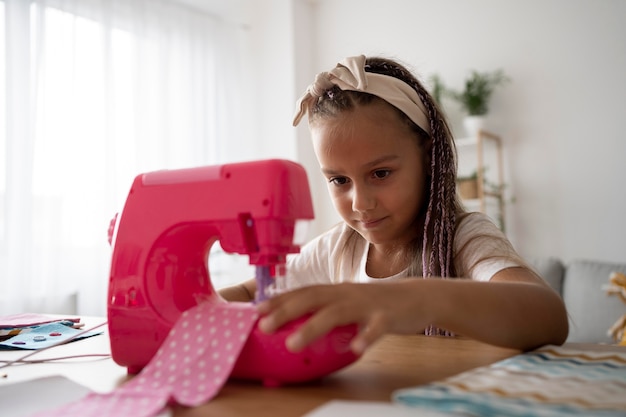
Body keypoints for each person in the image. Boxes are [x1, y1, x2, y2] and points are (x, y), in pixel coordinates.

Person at [219, 54, 568, 356]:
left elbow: (549, 316)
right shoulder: (336, 248)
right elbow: (253, 292)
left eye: (381, 173)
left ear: (427, 158)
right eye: (339, 180)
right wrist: (193, 306)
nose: (361, 203)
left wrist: (419, 299)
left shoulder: (464, 238)